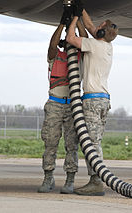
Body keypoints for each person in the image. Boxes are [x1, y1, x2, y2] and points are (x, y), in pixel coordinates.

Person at [67, 5, 118, 196]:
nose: (95, 27)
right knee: (94, 140)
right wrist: (81, 9)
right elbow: (90, 27)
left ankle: (96, 181)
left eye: (99, 26)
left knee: (91, 142)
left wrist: (72, 20)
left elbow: (71, 39)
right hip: (103, 99)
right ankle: (95, 178)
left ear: (102, 31)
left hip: (93, 100)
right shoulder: (106, 46)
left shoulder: (94, 45)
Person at [38, 11, 87, 194]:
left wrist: (77, 20)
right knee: (50, 141)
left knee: (71, 144)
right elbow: (52, 44)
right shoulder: (55, 56)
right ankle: (48, 177)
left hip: (72, 105)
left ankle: (70, 179)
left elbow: (85, 39)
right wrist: (61, 24)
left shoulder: (80, 59)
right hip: (55, 104)